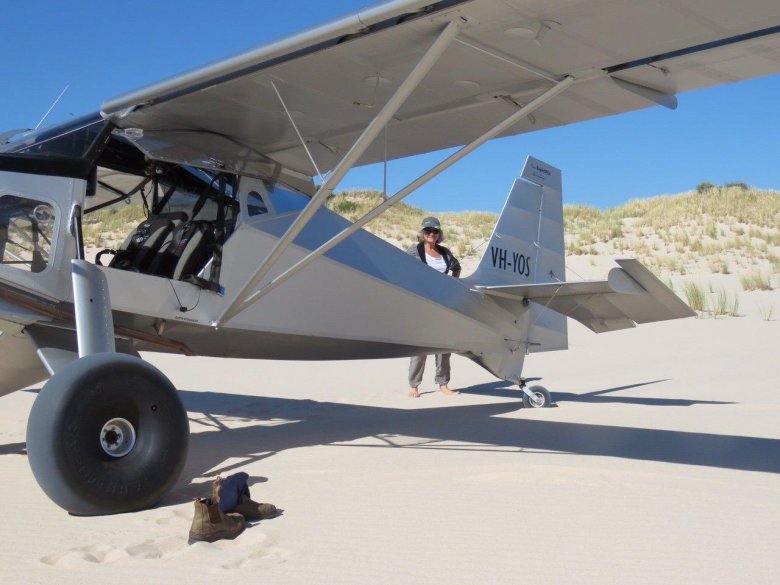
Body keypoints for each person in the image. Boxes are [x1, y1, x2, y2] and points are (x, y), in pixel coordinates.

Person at [406, 216, 461, 398]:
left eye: (435, 231)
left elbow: (457, 267)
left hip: (444, 305)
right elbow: (403, 268)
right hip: (422, 305)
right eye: (428, 231)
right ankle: (414, 386)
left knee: (445, 348)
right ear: (422, 233)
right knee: (420, 348)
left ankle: (443, 384)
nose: (431, 234)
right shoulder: (415, 250)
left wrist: (452, 283)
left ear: (439, 234)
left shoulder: (445, 252)